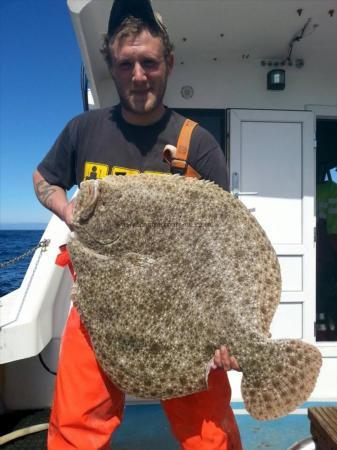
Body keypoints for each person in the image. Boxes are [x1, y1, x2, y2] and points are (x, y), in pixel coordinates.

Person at [33, 1, 243, 449]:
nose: (138, 75)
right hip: (97, 310)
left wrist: (228, 330)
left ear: (168, 61)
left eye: (149, 62)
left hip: (181, 319)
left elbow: (225, 248)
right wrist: (65, 209)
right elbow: (44, 178)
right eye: (126, 63)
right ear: (111, 63)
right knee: (74, 429)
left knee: (209, 434)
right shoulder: (83, 131)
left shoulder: (198, 145)